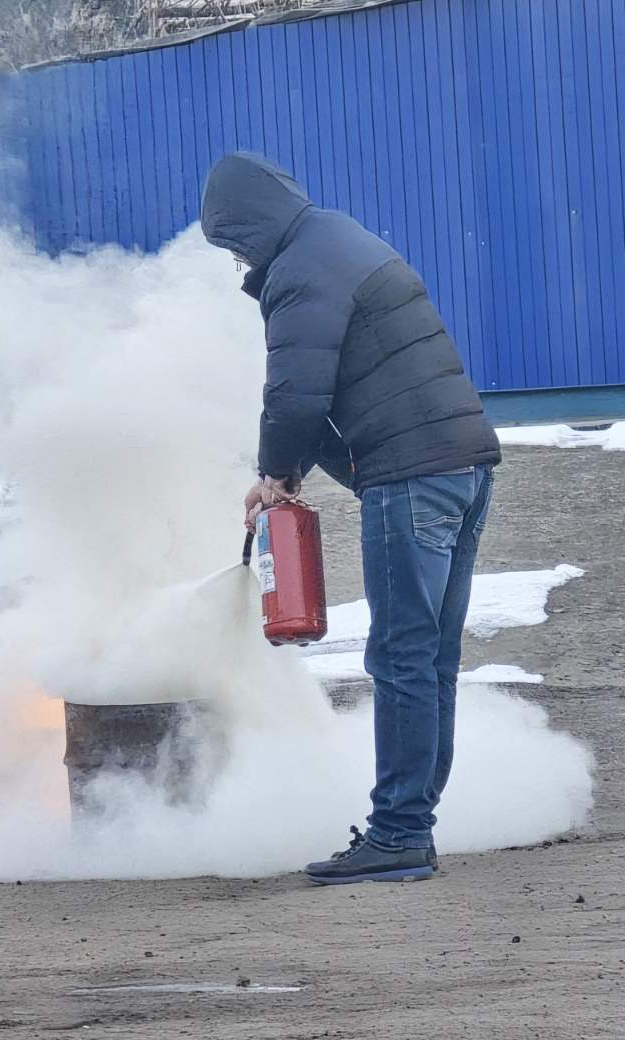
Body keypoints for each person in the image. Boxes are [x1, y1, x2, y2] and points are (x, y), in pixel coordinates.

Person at [201, 152, 501, 886]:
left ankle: (399, 833)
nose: (238, 256)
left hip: (415, 481)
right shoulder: (339, 238)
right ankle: (413, 822)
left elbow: (296, 397)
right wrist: (289, 476)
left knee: (401, 657)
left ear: (253, 224)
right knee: (431, 657)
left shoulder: (301, 269)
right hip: (463, 469)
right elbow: (342, 390)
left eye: (235, 241)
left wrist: (273, 473)